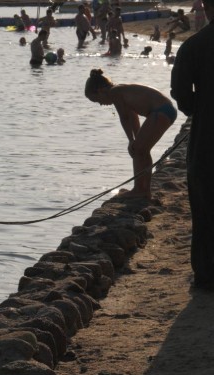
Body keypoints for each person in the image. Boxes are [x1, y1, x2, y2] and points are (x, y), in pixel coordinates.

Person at [171, 0, 214, 288]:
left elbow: (181, 93)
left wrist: (200, 108)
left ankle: (208, 276)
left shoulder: (194, 46)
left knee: (205, 208)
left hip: (207, 139)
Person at [85, 68, 177, 199]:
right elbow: (133, 116)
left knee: (139, 150)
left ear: (100, 91)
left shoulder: (114, 92)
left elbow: (125, 118)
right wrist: (136, 138)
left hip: (161, 111)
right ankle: (144, 190)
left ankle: (140, 190)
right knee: (141, 150)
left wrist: (131, 140)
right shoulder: (120, 91)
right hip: (165, 110)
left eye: (97, 100)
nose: (100, 104)